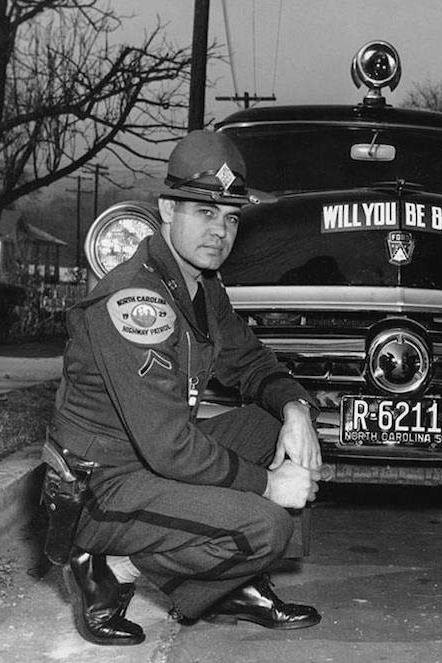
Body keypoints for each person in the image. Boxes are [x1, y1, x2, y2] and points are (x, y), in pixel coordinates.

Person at [42, 130, 323, 646]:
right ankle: (110, 569)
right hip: (101, 485)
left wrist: (295, 408)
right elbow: (171, 449)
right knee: (266, 525)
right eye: (204, 212)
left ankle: (229, 586)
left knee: (274, 430)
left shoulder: (199, 284)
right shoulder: (135, 302)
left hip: (149, 459)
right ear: (168, 209)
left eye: (230, 216)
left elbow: (249, 360)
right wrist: (267, 486)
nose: (220, 230)